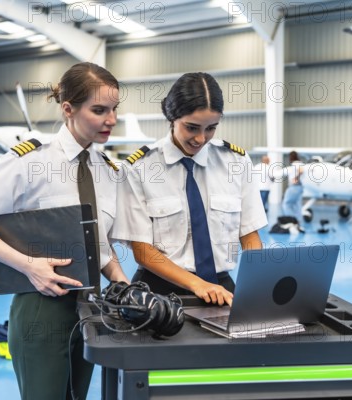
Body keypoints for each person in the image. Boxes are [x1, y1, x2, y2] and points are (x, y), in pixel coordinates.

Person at [0, 62, 129, 400]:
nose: (111, 120)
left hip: (90, 308)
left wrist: (122, 282)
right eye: (99, 110)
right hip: (42, 307)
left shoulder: (106, 169)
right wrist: (27, 265)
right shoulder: (30, 160)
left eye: (114, 109)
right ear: (68, 109)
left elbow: (100, 243)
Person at [114, 72, 267, 307]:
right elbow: (142, 250)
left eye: (211, 128)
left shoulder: (236, 161)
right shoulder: (139, 168)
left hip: (220, 289)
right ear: (172, 117)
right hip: (159, 292)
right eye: (191, 127)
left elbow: (249, 234)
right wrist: (197, 284)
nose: (200, 138)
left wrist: (258, 282)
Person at [281, 150, 305, 224]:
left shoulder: (295, 164)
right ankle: (298, 222)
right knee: (297, 205)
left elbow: (300, 171)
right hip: (300, 187)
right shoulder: (302, 164)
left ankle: (292, 221)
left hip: (294, 187)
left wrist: (296, 178)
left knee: (286, 204)